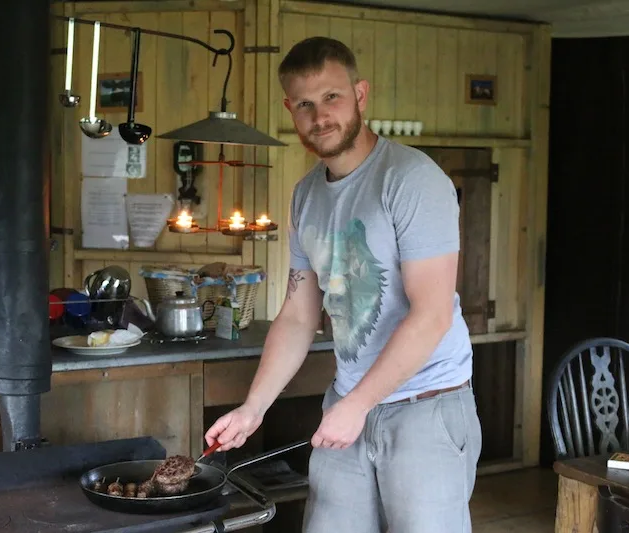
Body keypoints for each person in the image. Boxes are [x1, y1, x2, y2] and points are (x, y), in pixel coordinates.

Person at [204, 36, 482, 533]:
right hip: (347, 407)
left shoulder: (413, 180)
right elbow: (296, 315)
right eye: (305, 104)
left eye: (331, 97)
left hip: (426, 407)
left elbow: (432, 314)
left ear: (360, 94)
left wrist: (358, 405)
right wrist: (253, 409)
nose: (320, 116)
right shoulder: (307, 194)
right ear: (290, 109)